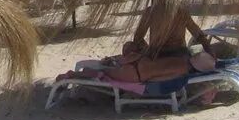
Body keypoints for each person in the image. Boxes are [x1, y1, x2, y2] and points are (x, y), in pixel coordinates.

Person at [58, 49, 217, 84]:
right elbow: (158, 80)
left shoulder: (180, 58)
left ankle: (76, 74)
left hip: (138, 61)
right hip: (136, 74)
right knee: (103, 74)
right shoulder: (182, 71)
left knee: (104, 70)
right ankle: (71, 75)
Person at [122, 5, 209, 58]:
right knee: (128, 46)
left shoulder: (151, 11)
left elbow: (138, 38)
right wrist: (209, 50)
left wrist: (147, 51)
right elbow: (198, 34)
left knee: (128, 46)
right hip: (178, 55)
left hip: (161, 55)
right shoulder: (182, 11)